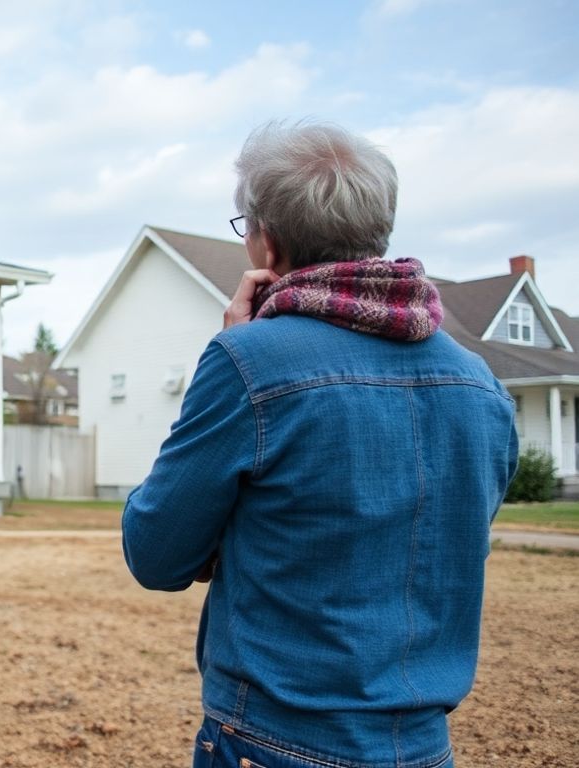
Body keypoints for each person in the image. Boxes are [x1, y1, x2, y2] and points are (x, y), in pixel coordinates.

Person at [121, 121, 518, 768]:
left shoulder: (250, 363)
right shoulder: (481, 385)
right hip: (423, 750)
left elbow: (156, 554)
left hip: (273, 742)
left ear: (266, 242)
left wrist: (236, 349)